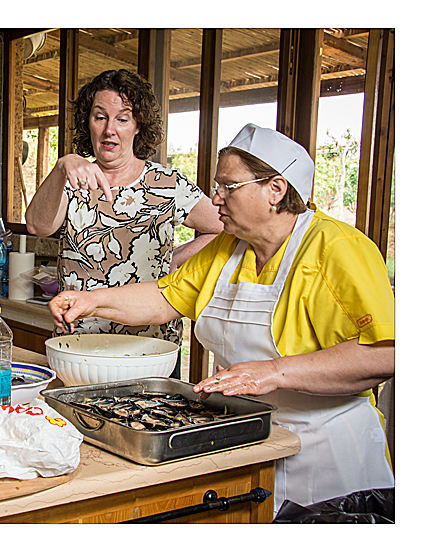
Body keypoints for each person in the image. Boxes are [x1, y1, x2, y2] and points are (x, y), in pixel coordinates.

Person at [49, 123, 395, 514]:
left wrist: (273, 373)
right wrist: (90, 301)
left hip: (328, 453)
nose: (216, 199)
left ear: (275, 189)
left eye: (229, 187)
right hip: (251, 439)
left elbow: (386, 354)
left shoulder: (338, 248)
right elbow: (166, 297)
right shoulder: (231, 247)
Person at [26, 69, 222, 377]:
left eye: (122, 119)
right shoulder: (72, 179)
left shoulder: (166, 183)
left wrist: (176, 259)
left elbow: (224, 229)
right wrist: (62, 166)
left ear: (138, 125)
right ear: (88, 122)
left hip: (151, 351)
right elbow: (38, 226)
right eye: (100, 117)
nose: (109, 130)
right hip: (79, 348)